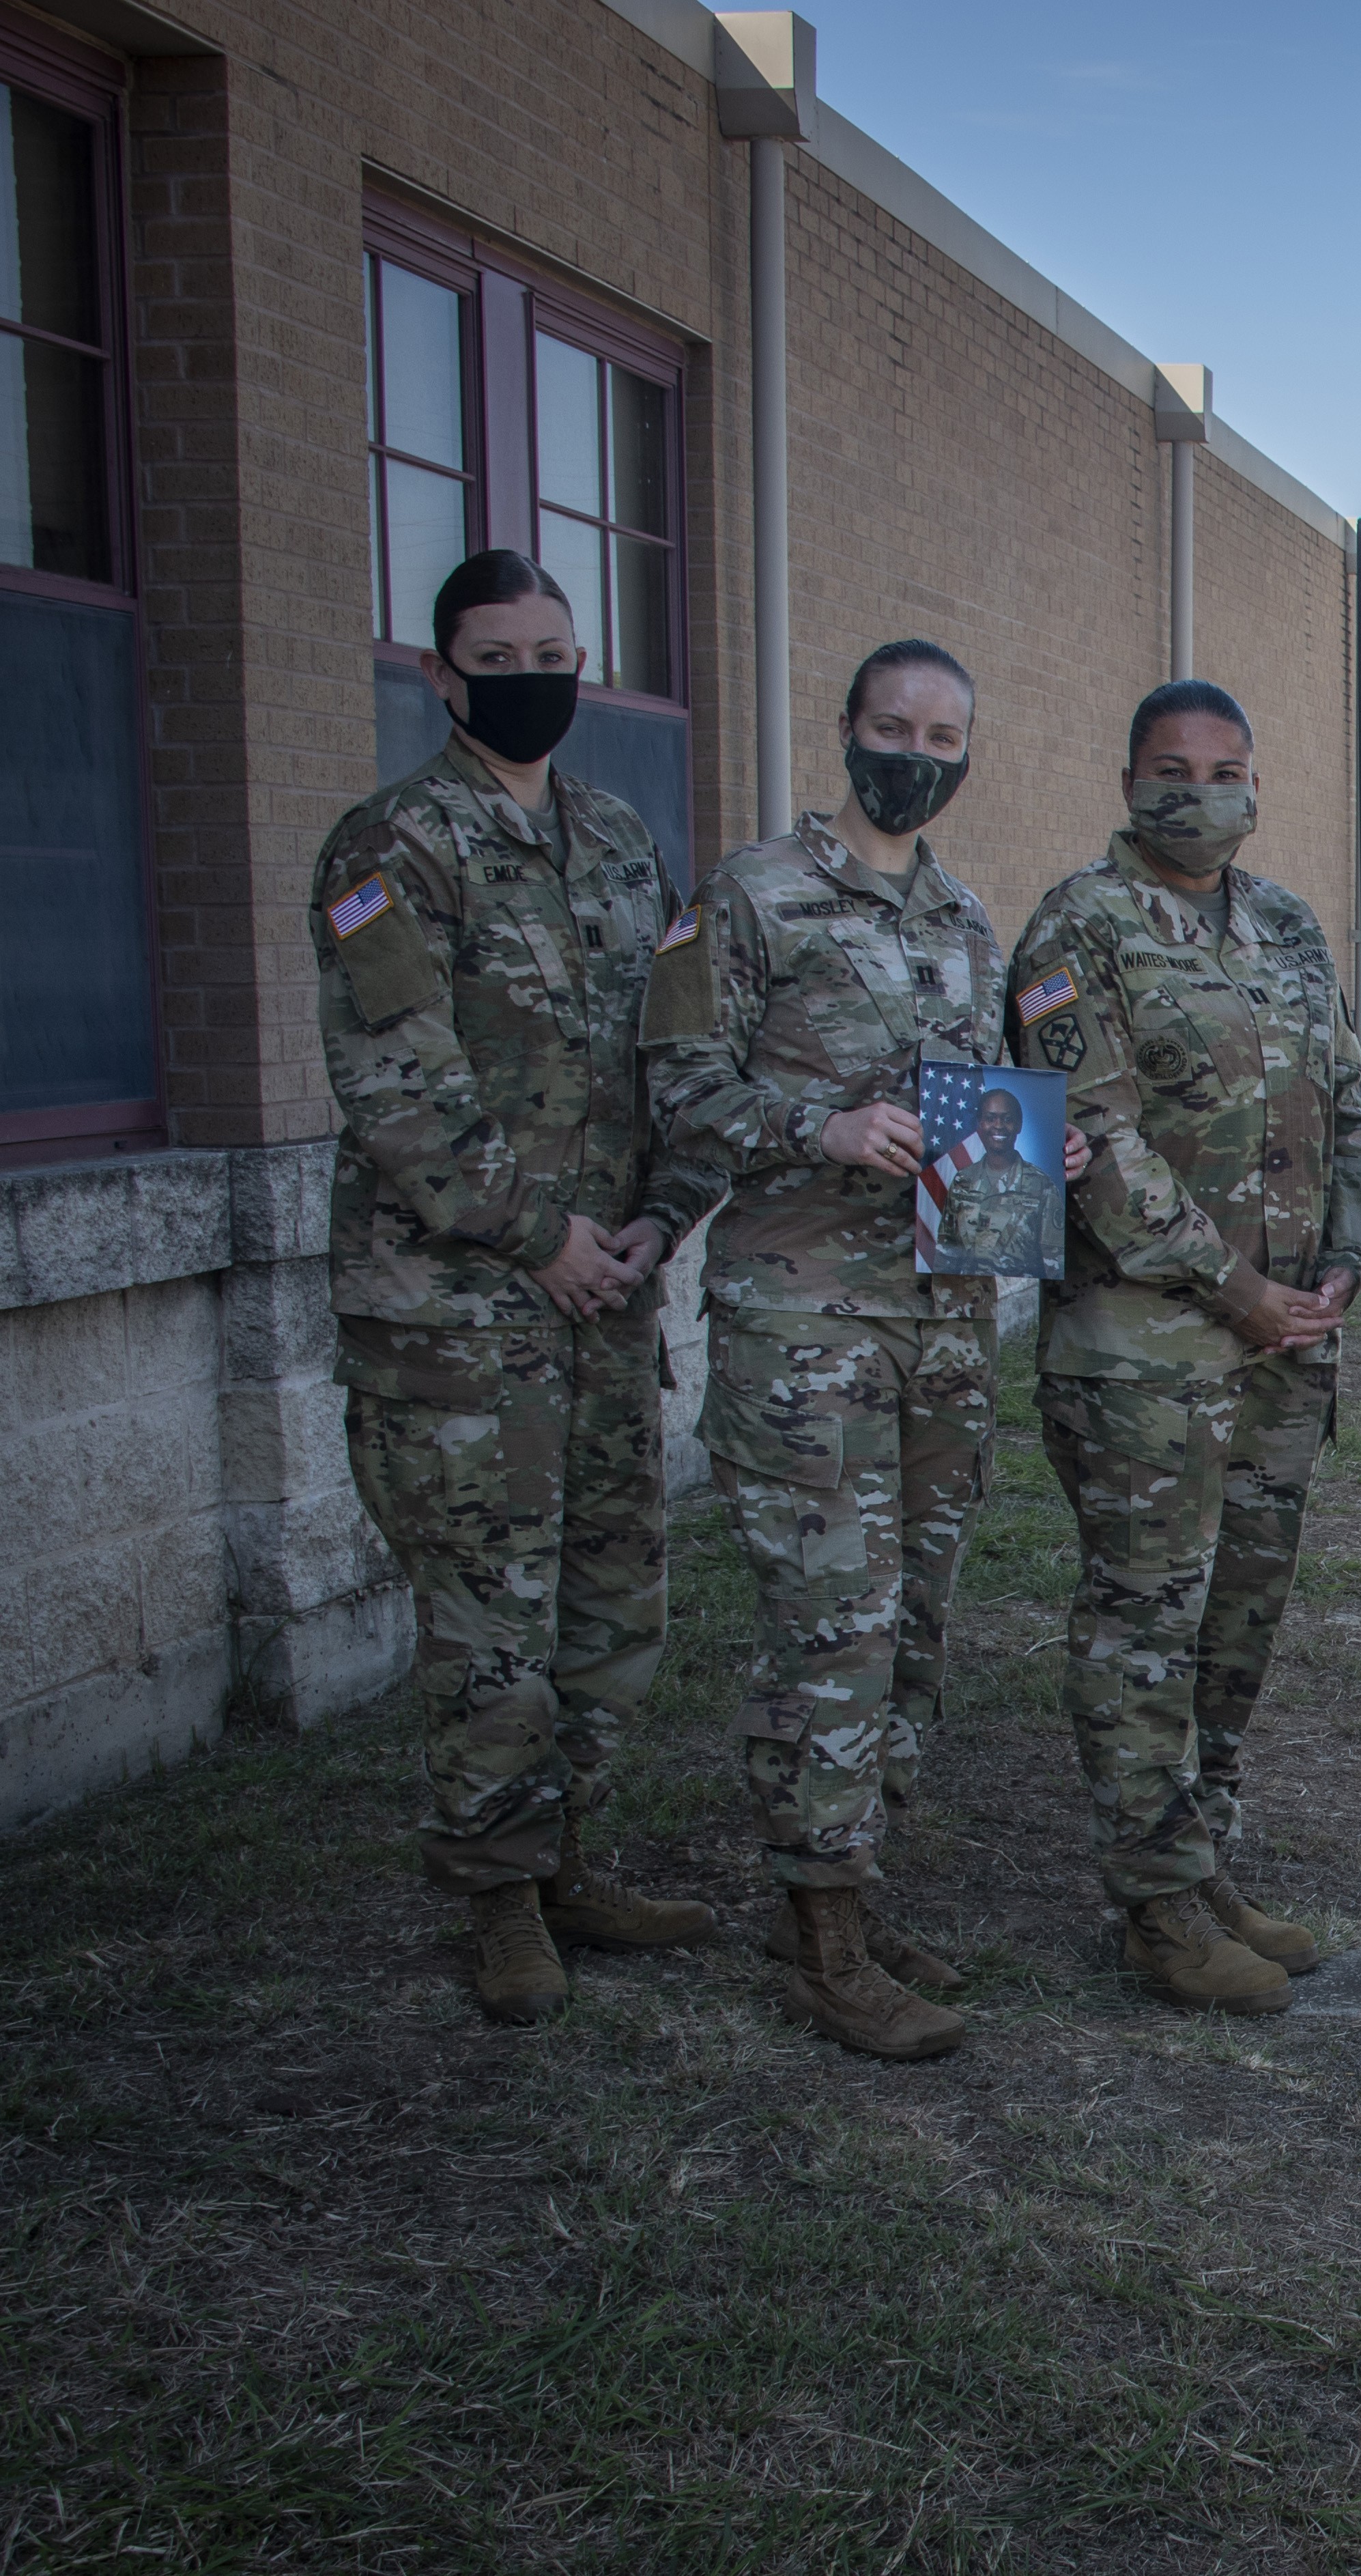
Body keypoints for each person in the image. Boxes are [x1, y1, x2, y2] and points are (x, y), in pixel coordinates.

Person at [644, 638, 1085, 2063]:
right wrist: (815, 1126)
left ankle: (851, 1877)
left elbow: (990, 1103)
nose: (917, 747)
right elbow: (675, 1083)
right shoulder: (750, 894)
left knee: (915, 1620)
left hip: (943, 1322)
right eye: (893, 723)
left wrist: (1044, 1142)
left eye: (943, 730)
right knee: (830, 1624)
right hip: (805, 1321)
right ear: (846, 730)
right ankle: (822, 1930)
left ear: (967, 747)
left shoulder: (965, 913)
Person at [309, 548, 720, 2024]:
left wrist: (665, 1217)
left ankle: (570, 1861)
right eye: (500, 650)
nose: (532, 671)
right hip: (461, 1317)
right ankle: (495, 1896)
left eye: (555, 645)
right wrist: (539, 1234)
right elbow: (397, 1085)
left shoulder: (619, 841)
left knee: (613, 1598)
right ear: (442, 672)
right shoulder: (392, 848)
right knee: (492, 1617)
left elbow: (677, 1054)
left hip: (609, 1294)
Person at [1002, 679, 1361, 2016]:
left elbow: (1351, 1094)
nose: (1198, 791)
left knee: (1239, 1617)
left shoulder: (1284, 923)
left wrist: (1347, 1258)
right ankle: (1155, 1906)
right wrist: (1235, 1283)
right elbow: (1092, 1144)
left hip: (1286, 1341)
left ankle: (1206, 1860)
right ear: (1127, 778)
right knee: (1146, 1617)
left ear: (1256, 786)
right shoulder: (1073, 929)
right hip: (1144, 1341)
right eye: (1171, 766)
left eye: (1224, 768)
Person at [930, 1088, 1051, 1277]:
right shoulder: (963, 1181)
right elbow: (947, 1253)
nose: (999, 1126)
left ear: (1019, 1125)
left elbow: (1054, 1261)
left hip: (1020, 1295)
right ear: (980, 1124)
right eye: (990, 1118)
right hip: (966, 1293)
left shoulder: (1042, 1185)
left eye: (1007, 1119)